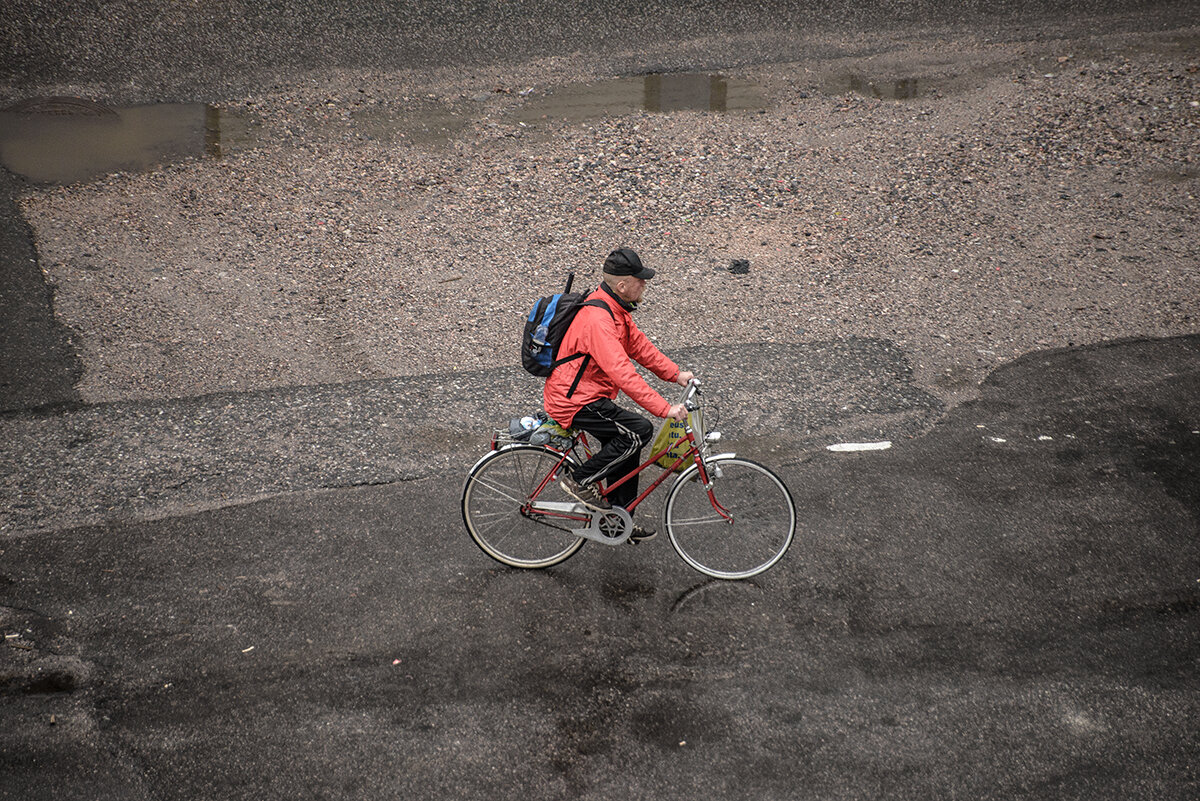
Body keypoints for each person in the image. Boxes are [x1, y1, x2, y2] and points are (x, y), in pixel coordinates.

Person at [544, 247, 694, 543]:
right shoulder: (598, 319)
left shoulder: (614, 309)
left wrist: (676, 374)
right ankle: (578, 480)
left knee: (626, 440)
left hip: (588, 395)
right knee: (638, 430)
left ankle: (617, 519)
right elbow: (622, 373)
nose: (644, 285)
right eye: (640, 280)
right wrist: (664, 409)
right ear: (623, 286)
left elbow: (640, 347)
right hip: (574, 401)